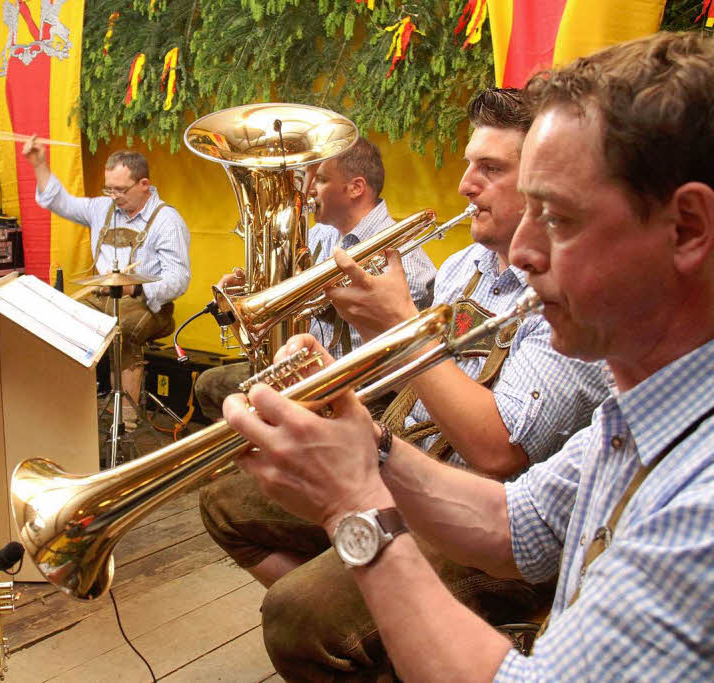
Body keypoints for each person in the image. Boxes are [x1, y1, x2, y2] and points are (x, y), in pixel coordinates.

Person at [224, 31, 714, 680]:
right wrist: (368, 442)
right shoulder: (640, 411)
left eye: (559, 219)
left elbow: (500, 455)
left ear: (686, 229)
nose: (525, 252)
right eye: (528, 209)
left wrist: (355, 506)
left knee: (301, 614)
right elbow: (519, 522)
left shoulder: (701, 502)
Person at [199, 88, 610, 679]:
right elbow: (409, 381)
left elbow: (498, 452)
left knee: (297, 614)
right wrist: (338, 380)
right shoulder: (463, 268)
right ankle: (381, 614)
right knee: (226, 503)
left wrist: (399, 329)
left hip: (474, 491)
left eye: (490, 169)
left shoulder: (562, 295)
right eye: (470, 164)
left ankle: (374, 613)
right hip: (414, 450)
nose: (466, 184)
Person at [194, 137, 437, 421]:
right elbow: (294, 299)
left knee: (258, 408)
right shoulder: (321, 235)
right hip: (310, 366)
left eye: (319, 179)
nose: (306, 190)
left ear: (356, 188)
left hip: (362, 388)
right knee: (209, 385)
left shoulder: (406, 260)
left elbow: (401, 361)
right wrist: (252, 293)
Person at [22, 139, 190, 429]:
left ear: (144, 184)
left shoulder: (167, 221)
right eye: (109, 189)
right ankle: (71, 410)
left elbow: (178, 280)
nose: (114, 196)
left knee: (118, 326)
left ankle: (125, 419)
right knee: (57, 318)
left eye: (121, 190)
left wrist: (134, 288)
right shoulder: (102, 208)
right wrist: (39, 164)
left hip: (148, 304)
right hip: (102, 297)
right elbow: (58, 201)